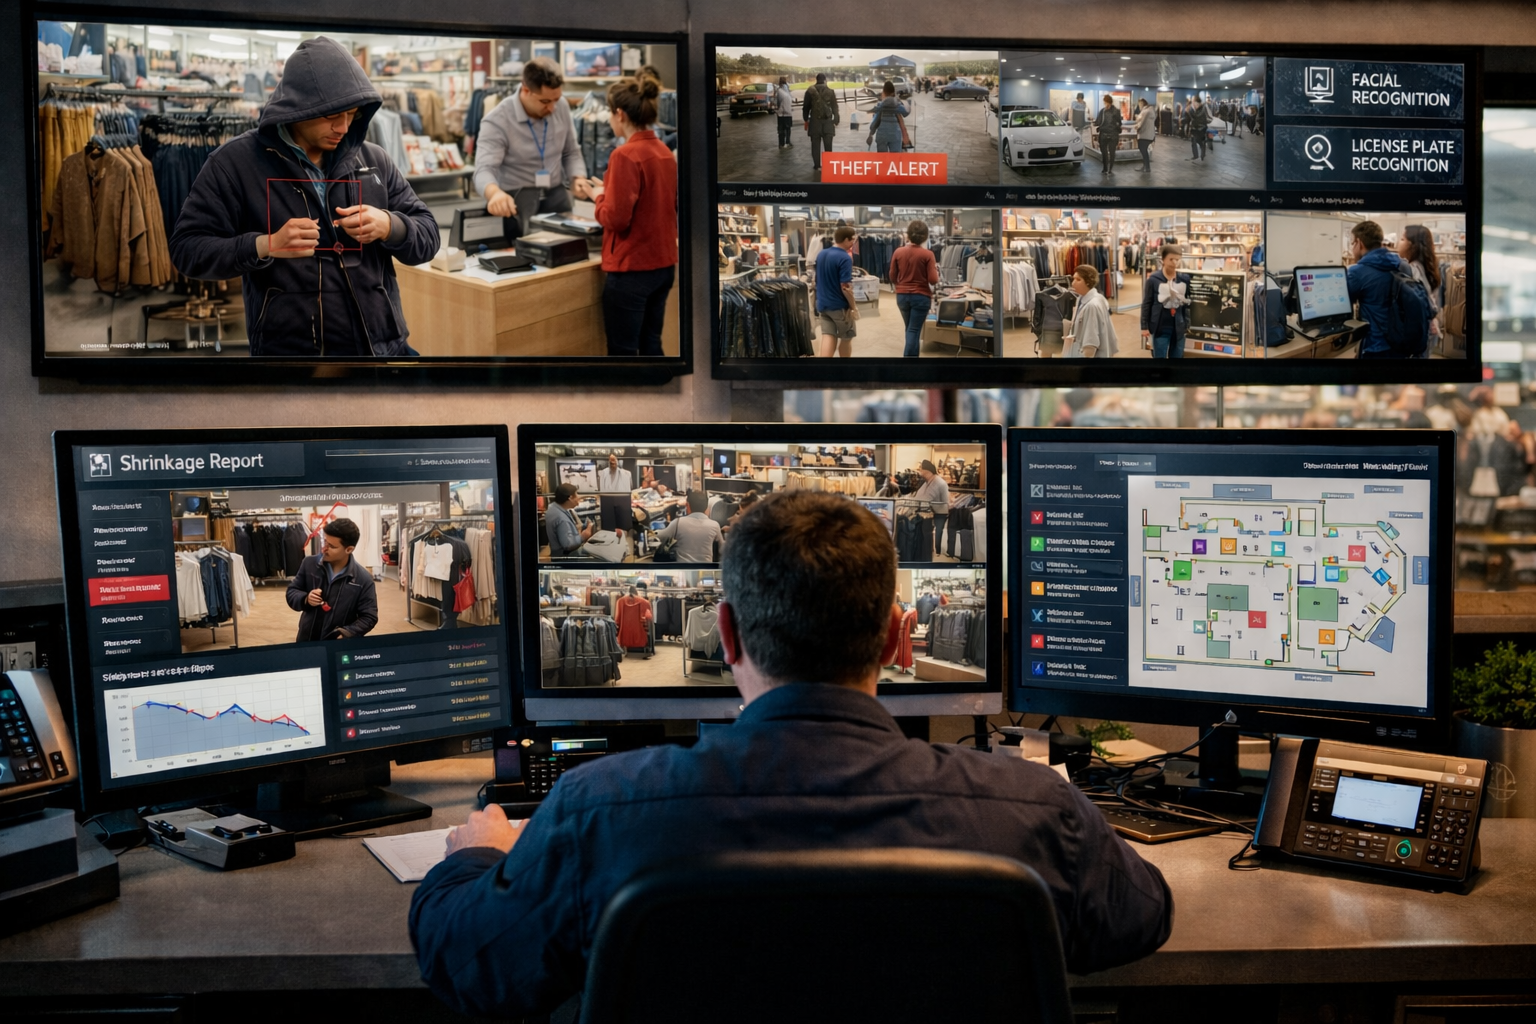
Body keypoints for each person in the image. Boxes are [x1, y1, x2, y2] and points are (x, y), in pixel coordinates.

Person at [409, 491, 1172, 1018]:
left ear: (728, 635)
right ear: (900, 639)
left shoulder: (600, 814)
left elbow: (468, 967)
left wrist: (476, 856)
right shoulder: (1032, 812)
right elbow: (1140, 918)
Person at [168, 37, 439, 357]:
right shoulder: (235, 163)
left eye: (352, 113)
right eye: (330, 115)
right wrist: (265, 245)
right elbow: (187, 248)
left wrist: (390, 225)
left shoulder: (374, 159)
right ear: (299, 106)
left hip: (383, 351)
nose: (343, 126)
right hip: (292, 364)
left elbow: (429, 234)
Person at [586, 72, 678, 357]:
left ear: (620, 114)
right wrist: (610, 191)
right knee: (652, 344)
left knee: (623, 353)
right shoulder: (663, 151)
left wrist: (599, 196)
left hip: (632, 269)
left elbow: (615, 218)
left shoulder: (624, 155)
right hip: (662, 264)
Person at [472, 57, 592, 240]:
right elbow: (483, 170)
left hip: (556, 196)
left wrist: (577, 178)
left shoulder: (561, 106)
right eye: (545, 101)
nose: (552, 108)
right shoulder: (497, 120)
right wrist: (494, 194)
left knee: (566, 253)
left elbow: (571, 151)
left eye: (556, 100)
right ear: (526, 90)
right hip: (516, 201)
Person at [285, 518, 378, 642]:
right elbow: (292, 591)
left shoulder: (363, 580)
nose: (324, 549)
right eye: (325, 542)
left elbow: (369, 617)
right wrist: (306, 598)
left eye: (332, 546)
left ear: (349, 549)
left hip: (338, 648)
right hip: (306, 640)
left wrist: (347, 633)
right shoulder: (309, 564)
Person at [1345, 220, 1415, 359]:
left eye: (1352, 244)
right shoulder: (1403, 265)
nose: (1352, 248)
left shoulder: (1357, 272)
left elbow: (1343, 303)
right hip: (1401, 342)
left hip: (1375, 347)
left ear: (1359, 243)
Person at [890, 219, 939, 358]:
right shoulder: (928, 254)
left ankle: (914, 360)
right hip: (921, 296)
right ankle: (908, 363)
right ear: (925, 236)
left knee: (911, 329)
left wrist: (900, 284)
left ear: (908, 234)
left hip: (902, 296)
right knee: (913, 329)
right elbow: (933, 280)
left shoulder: (898, 252)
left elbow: (892, 276)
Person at [814, 225, 859, 358]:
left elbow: (817, 279)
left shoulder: (822, 254)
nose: (853, 243)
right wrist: (853, 306)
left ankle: (825, 370)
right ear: (846, 240)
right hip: (839, 306)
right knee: (847, 337)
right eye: (852, 240)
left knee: (828, 335)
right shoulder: (844, 258)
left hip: (823, 304)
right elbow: (845, 287)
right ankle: (845, 369)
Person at [1397, 224, 1444, 353]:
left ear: (1413, 245)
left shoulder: (1412, 270)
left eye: (1402, 239)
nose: (1398, 243)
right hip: (1429, 327)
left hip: (1421, 330)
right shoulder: (1431, 268)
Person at [1141, 244, 1192, 359]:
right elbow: (1146, 303)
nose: (1175, 263)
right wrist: (1144, 327)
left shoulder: (1184, 279)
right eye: (1171, 259)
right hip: (1160, 326)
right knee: (1159, 358)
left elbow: (1187, 304)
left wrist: (1187, 324)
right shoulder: (1154, 280)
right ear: (1163, 260)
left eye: (1178, 259)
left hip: (1178, 326)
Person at [1062, 265, 1119, 358]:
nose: (1073, 283)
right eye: (1073, 279)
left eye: (1078, 280)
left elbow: (1090, 341)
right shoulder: (1082, 298)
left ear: (1088, 282)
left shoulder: (1091, 305)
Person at [653, 491, 722, 563]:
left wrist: (650, 532)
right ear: (707, 507)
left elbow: (659, 536)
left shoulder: (678, 523)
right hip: (705, 569)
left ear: (687, 506)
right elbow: (722, 549)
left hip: (684, 568)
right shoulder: (714, 525)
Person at [802, 73, 840, 172]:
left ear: (816, 80)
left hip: (815, 122)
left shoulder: (810, 91)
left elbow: (806, 107)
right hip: (827, 121)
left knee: (815, 145)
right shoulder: (830, 91)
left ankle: (817, 165)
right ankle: (828, 165)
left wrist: (806, 119)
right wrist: (836, 118)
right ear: (824, 80)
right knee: (828, 145)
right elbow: (834, 106)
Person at [545, 483, 596, 558]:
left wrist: (584, 525)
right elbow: (568, 544)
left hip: (558, 553)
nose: (578, 497)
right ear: (570, 498)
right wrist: (583, 536)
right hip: (565, 557)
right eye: (576, 494)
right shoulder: (561, 518)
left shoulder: (553, 507)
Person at [912, 459, 950, 557]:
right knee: (931, 532)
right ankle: (932, 551)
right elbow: (919, 496)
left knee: (938, 532)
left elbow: (927, 498)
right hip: (933, 511)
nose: (920, 471)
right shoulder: (928, 481)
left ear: (927, 471)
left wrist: (913, 504)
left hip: (941, 512)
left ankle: (937, 552)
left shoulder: (937, 482)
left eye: (922, 469)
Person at [866, 81, 909, 153]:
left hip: (882, 134)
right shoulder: (897, 105)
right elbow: (906, 112)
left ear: (884, 92)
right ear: (893, 92)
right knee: (895, 157)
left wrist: (871, 133)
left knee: (882, 158)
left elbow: (876, 120)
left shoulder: (880, 105)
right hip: (895, 134)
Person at [1094, 95, 1123, 175]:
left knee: (1107, 152)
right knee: (1110, 152)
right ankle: (1108, 168)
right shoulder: (1116, 111)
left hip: (1106, 134)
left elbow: (1098, 122)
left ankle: (1107, 168)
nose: (1105, 104)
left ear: (1107, 102)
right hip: (1111, 134)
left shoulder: (1103, 111)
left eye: (1105, 102)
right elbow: (1119, 122)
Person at [1133, 98, 1156, 173]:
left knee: (1143, 150)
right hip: (1149, 134)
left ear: (1142, 104)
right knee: (1144, 150)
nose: (1139, 106)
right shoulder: (1151, 110)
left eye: (1139, 104)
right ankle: (1145, 166)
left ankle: (1147, 167)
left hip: (1144, 134)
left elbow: (1142, 123)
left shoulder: (1146, 111)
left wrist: (1137, 127)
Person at [774, 76, 795, 149]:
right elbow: (791, 99)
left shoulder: (778, 90)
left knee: (781, 129)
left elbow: (777, 102)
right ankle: (788, 142)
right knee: (788, 128)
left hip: (781, 113)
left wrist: (777, 109)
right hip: (788, 112)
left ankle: (781, 143)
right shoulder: (788, 90)